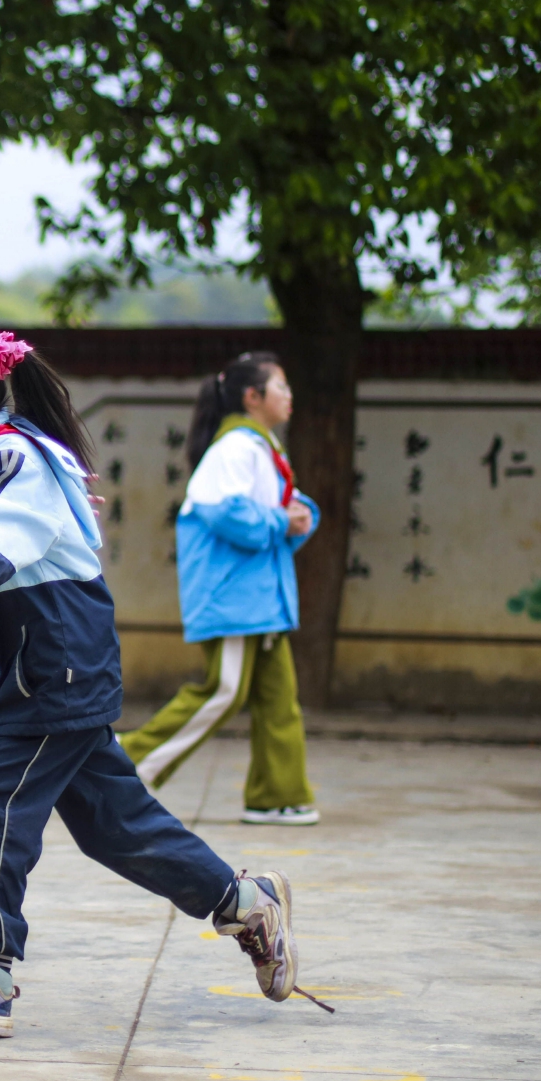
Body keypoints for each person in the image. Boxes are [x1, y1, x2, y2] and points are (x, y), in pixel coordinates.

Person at [0, 314, 315, 1038]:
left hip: (56, 673)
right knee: (116, 825)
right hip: (32, 679)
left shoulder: (17, 460)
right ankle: (243, 901)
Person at [117, 352, 321, 826]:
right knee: (223, 690)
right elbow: (225, 512)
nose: (289, 397)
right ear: (253, 397)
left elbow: (271, 515)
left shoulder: (261, 446)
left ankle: (277, 797)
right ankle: (125, 769)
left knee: (277, 699)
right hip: (235, 599)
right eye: (281, 388)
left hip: (260, 600)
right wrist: (279, 519)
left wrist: (295, 516)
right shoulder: (237, 447)